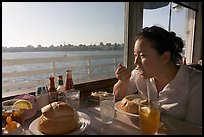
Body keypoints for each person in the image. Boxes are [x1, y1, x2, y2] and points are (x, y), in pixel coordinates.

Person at [113, 25, 202, 127]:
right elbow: (118, 96)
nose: (135, 62)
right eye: (135, 55)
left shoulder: (196, 83)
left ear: (165, 57)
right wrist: (123, 81)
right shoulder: (139, 74)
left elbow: (195, 129)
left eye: (142, 56)